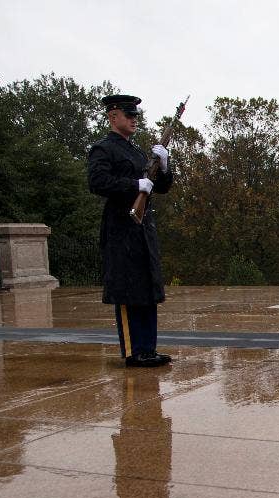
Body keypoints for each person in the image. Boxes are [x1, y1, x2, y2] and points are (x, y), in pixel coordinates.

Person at [88, 94, 174, 367]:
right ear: (113, 117)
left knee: (146, 289)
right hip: (121, 228)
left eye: (136, 115)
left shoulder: (137, 152)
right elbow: (98, 182)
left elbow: (160, 187)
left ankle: (148, 348)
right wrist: (134, 185)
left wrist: (165, 166)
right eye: (129, 115)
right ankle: (133, 351)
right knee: (127, 290)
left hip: (143, 229)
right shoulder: (103, 149)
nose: (134, 120)